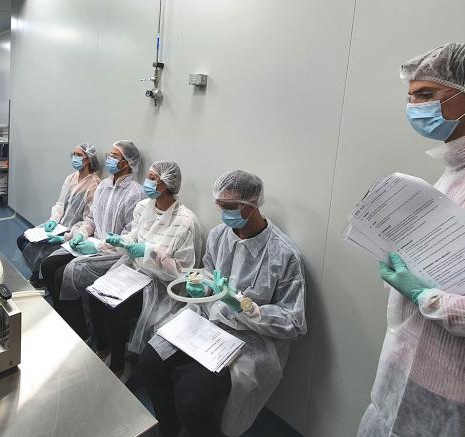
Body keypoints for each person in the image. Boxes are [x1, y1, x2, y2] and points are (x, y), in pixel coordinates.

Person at [358, 43, 465, 437]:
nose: (415, 108)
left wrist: (433, 299)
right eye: (411, 97)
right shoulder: (457, 173)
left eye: (427, 94)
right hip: (403, 374)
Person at [140, 170, 306, 437]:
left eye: (230, 207)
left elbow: (293, 322)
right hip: (207, 321)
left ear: (252, 206)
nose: (224, 213)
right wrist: (200, 286)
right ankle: (170, 429)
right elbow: (208, 275)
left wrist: (246, 307)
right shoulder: (219, 235)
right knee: (150, 360)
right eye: (221, 206)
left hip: (248, 339)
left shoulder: (284, 254)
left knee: (190, 395)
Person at [87, 161, 202, 375]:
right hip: (134, 271)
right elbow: (134, 236)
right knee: (96, 294)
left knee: (116, 309)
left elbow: (183, 272)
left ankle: (118, 366)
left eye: (151, 178)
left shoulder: (186, 222)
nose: (146, 183)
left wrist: (152, 253)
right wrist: (121, 241)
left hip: (160, 284)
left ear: (166, 185)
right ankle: (105, 347)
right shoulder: (144, 207)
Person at [40, 140, 145, 334]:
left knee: (63, 274)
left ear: (127, 163)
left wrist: (98, 247)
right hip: (93, 242)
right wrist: (81, 234)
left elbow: (129, 236)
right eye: (110, 155)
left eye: (115, 156)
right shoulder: (104, 185)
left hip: (114, 252)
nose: (110, 159)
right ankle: (62, 314)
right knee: (48, 266)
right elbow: (91, 219)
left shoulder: (135, 194)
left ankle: (80, 329)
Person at [16, 143, 101, 287]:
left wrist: (67, 236)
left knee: (43, 251)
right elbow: (60, 203)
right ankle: (38, 275)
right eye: (73, 154)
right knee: (22, 240)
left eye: (79, 155)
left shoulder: (94, 185)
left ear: (88, 159)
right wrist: (54, 220)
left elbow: (88, 220)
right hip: (58, 225)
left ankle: (40, 278)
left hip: (72, 232)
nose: (74, 158)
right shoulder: (71, 178)